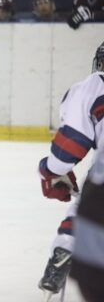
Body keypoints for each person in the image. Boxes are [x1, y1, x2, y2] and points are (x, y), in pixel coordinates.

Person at [36, 41, 104, 301]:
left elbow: (65, 155)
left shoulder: (93, 87)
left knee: (87, 208)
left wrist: (48, 171)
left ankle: (64, 249)